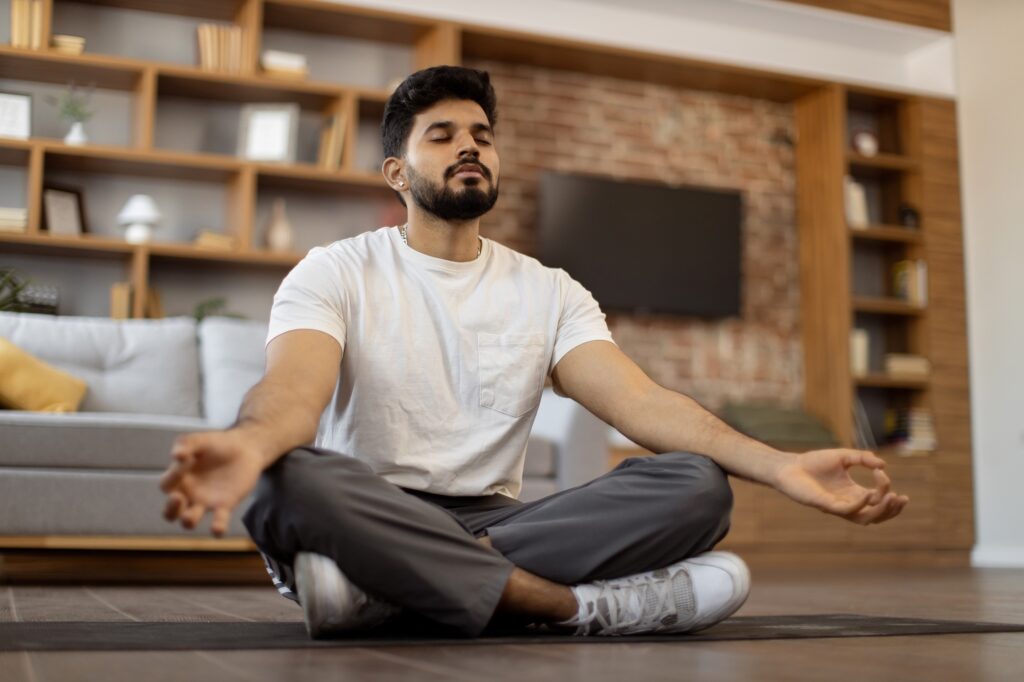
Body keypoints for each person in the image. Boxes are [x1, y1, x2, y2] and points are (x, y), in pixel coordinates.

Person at [159, 65, 909, 640]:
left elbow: (641, 403)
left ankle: (385, 591)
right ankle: (558, 605)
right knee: (284, 482)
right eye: (443, 135)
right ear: (398, 173)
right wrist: (248, 445)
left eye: (481, 135)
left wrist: (781, 467)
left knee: (698, 486)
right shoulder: (335, 270)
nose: (469, 147)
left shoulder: (549, 290)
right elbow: (295, 391)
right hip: (373, 507)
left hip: (495, 523)